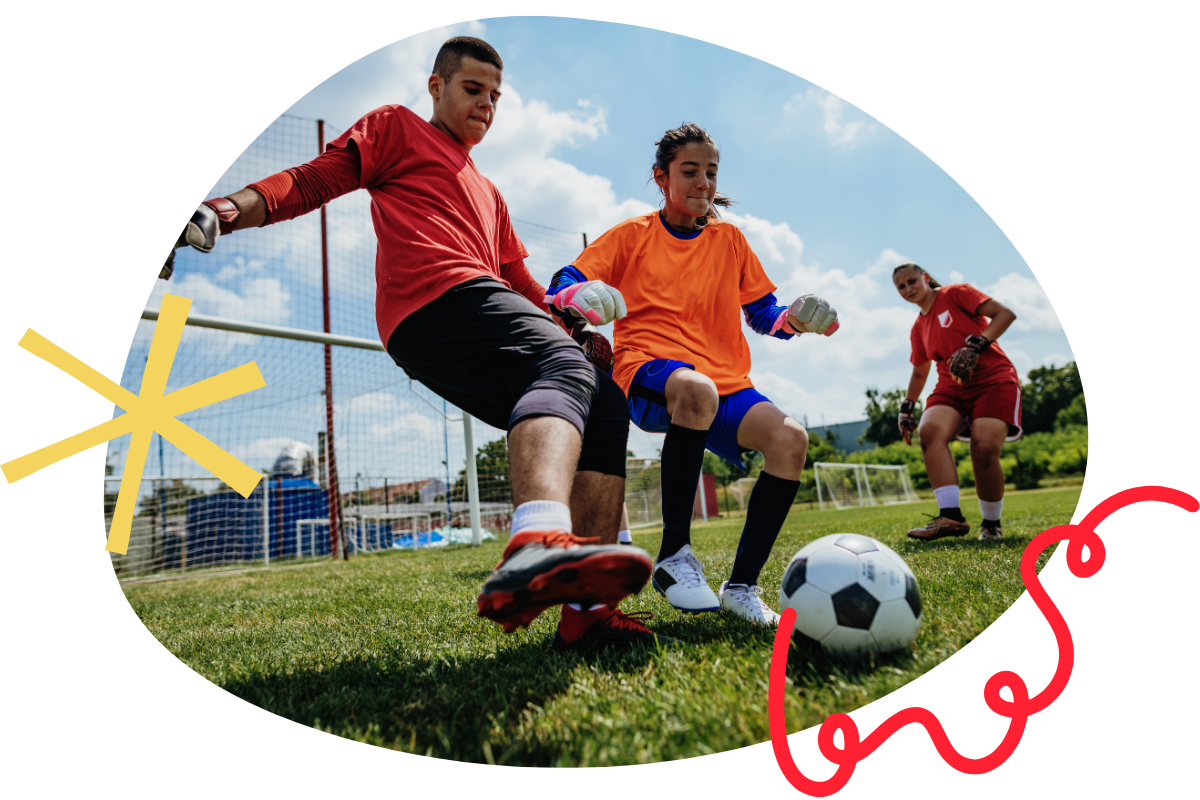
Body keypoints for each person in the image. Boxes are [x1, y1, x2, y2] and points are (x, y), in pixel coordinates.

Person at [164, 37, 668, 649]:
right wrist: (225, 208)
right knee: (558, 364)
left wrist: (568, 317)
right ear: (437, 87)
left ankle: (586, 614)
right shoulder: (397, 128)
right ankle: (536, 540)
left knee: (605, 408)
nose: (486, 104)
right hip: (433, 300)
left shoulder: (492, 191)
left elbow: (520, 281)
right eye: (472, 89)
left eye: (495, 96)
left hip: (479, 307)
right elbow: (313, 180)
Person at [544, 123, 839, 626]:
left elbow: (764, 314)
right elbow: (566, 280)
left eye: (710, 172)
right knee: (697, 390)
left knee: (791, 440)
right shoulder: (632, 235)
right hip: (648, 371)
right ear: (661, 177)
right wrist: (574, 298)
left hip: (725, 382)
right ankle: (674, 556)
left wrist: (796, 319)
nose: (703, 182)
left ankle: (741, 587)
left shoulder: (730, 240)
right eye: (690, 172)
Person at [892, 262, 1020, 541]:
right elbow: (919, 371)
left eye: (912, 281)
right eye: (901, 286)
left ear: (926, 278)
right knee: (930, 431)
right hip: (951, 388)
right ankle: (951, 517)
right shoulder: (918, 327)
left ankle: (991, 524)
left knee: (983, 447)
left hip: (993, 380)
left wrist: (975, 345)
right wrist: (907, 407)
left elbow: (1005, 314)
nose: (908, 289)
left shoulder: (955, 293)